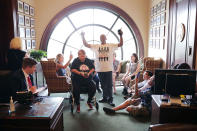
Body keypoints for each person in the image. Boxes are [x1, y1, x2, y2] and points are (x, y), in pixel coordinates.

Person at [81, 29, 123, 106]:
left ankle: (110, 99)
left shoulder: (110, 45)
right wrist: (83, 36)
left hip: (108, 69)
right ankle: (104, 98)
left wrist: (120, 35)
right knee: (103, 85)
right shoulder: (96, 46)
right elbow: (86, 45)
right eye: (101, 38)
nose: (102, 39)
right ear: (99, 39)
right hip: (100, 69)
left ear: (106, 38)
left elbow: (120, 44)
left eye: (103, 37)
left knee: (109, 85)